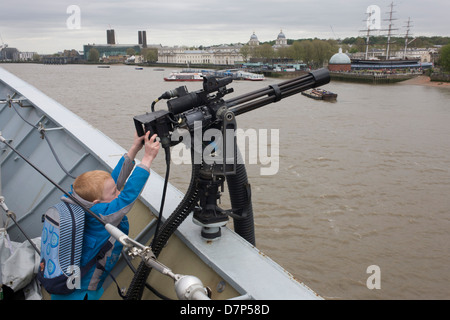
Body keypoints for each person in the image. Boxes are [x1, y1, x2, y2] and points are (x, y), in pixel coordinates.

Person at [51, 131, 160, 300]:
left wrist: (133, 150)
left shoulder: (82, 202)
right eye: (114, 193)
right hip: (81, 293)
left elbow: (111, 182)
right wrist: (147, 159)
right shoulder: (100, 215)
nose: (118, 192)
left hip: (67, 286)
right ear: (97, 201)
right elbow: (126, 198)